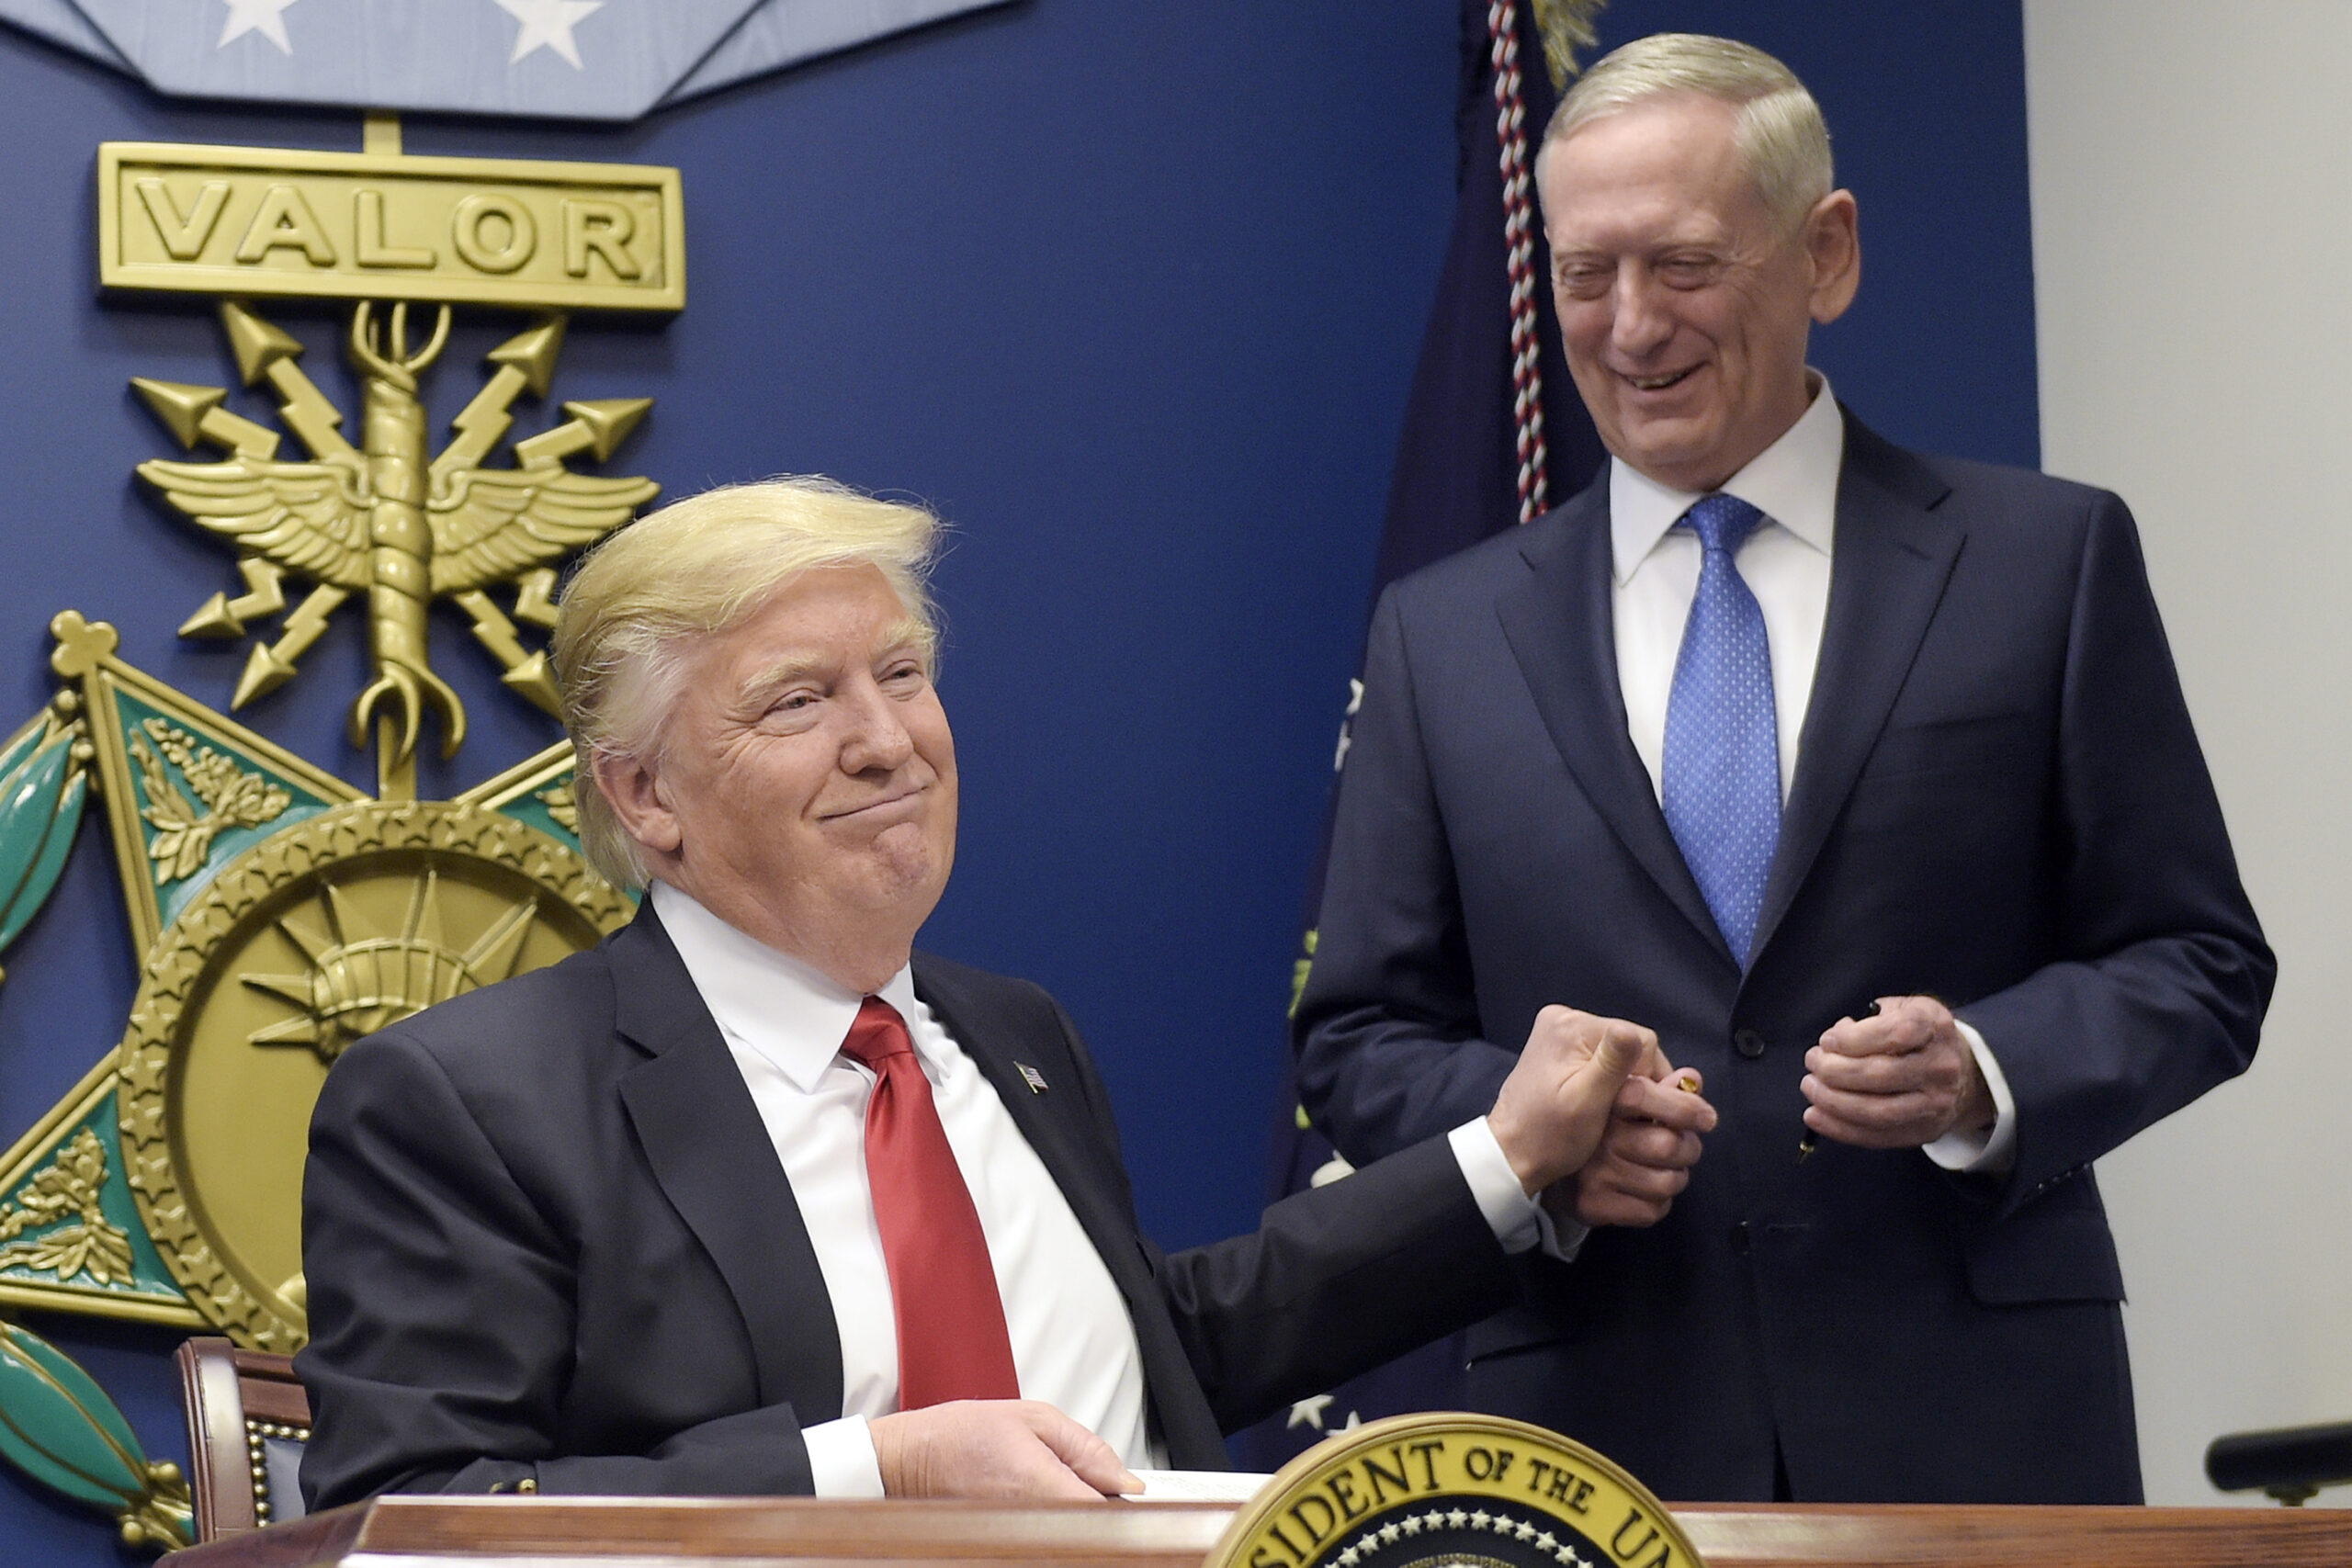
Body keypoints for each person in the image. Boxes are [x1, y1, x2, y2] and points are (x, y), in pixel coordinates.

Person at [296, 476, 1718, 1509]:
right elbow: (418, 1515)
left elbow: (1164, 1353)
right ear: (644, 795)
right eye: (798, 701)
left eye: (902, 674)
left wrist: (1510, 1160)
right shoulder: (473, 1103)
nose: (887, 740)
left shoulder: (1012, 1034)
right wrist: (878, 1469)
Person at [1294, 33, 2272, 1505]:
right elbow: (1358, 1033)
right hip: (1598, 1447)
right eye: (1584, 274)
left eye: (1684, 265)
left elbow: (2199, 959)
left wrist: (1987, 1071)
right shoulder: (1441, 636)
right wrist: (1535, 1132)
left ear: (1827, 253)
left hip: (1985, 1440)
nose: (1631, 325)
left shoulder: (2045, 563)